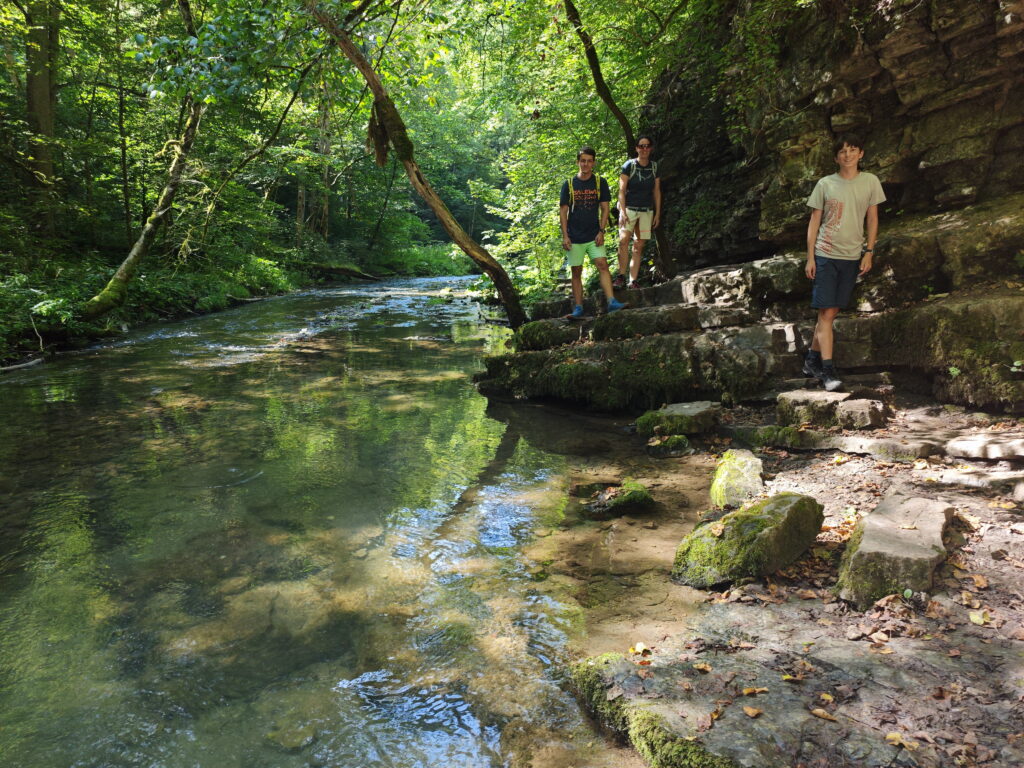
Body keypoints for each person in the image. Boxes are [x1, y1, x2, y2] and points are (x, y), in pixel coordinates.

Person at [804, 133, 885, 391]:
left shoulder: (870, 181)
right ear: (836, 157)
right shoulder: (825, 184)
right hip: (826, 254)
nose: (847, 155)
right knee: (827, 312)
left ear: (860, 153)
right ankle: (827, 371)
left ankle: (811, 360)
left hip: (851, 256)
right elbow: (814, 221)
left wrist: (869, 251)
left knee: (831, 311)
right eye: (842, 151)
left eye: (852, 150)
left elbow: (872, 219)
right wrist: (810, 258)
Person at [560, 146, 626, 318]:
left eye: (589, 161)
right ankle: (579, 308)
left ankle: (611, 301)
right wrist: (565, 236)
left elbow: (605, 209)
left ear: (593, 163)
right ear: (578, 162)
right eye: (583, 161)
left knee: (603, 265)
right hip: (574, 236)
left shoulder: (599, 182)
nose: (586, 164)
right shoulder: (568, 184)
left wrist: (601, 231)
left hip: (593, 234)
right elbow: (563, 211)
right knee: (576, 271)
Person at [614, 135, 661, 289]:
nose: (644, 149)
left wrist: (657, 213)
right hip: (629, 209)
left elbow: (656, 191)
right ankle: (620, 276)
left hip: (646, 210)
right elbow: (621, 190)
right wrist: (622, 211)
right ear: (636, 148)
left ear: (651, 148)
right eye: (641, 146)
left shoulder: (654, 167)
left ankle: (633, 280)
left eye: (647, 146)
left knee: (638, 246)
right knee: (623, 241)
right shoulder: (629, 165)